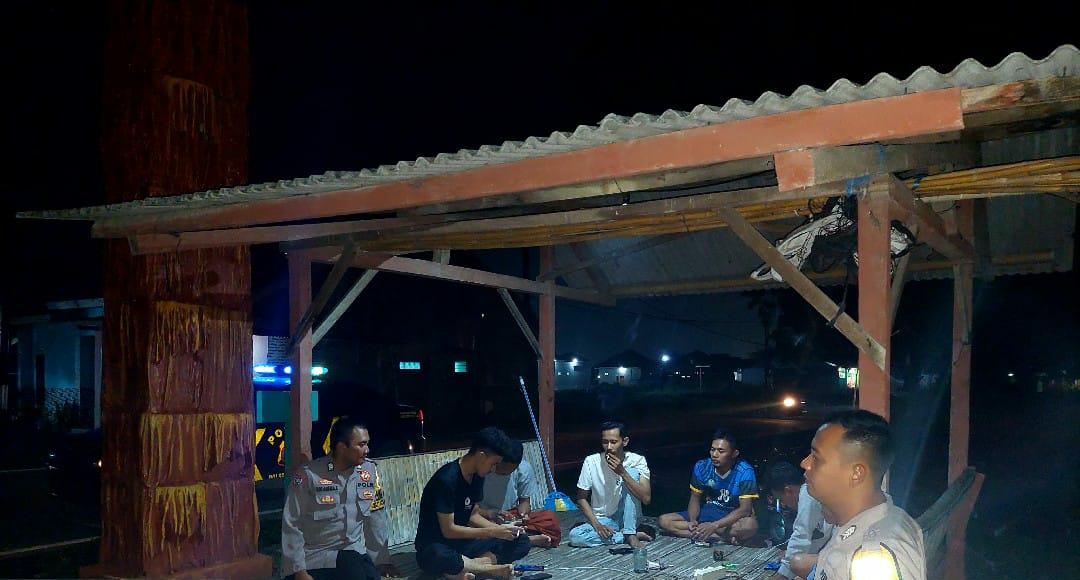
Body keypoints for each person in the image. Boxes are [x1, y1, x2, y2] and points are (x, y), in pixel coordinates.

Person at [800, 410, 925, 580]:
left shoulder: (873, 556)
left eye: (816, 457)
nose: (805, 463)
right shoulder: (874, 521)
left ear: (856, 474)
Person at [414, 427, 531, 579]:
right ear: (481, 456)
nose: (493, 469)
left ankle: (467, 568)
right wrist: (492, 531)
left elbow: (472, 515)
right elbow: (448, 530)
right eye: (493, 463)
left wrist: (503, 530)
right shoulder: (446, 480)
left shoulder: (477, 476)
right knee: (437, 555)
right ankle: (488, 569)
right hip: (438, 544)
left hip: (462, 544)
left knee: (521, 541)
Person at [281, 417, 382, 580]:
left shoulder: (369, 471)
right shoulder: (309, 475)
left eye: (367, 444)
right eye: (361, 445)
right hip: (316, 558)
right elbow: (291, 523)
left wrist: (382, 560)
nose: (367, 450)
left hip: (354, 553)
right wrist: (299, 571)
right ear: (342, 447)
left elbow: (376, 516)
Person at [658, 429, 759, 544]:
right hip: (710, 510)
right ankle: (720, 537)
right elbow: (695, 498)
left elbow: (745, 509)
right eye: (712, 450)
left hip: (732, 515)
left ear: (734, 453)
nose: (714, 455)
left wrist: (714, 525)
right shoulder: (702, 467)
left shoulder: (745, 471)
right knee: (664, 521)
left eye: (721, 451)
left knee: (750, 526)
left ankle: (709, 531)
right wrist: (692, 520)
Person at [569, 421, 653, 548]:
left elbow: (646, 498)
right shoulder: (591, 461)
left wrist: (623, 472)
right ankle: (623, 536)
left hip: (628, 517)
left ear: (624, 441)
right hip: (603, 519)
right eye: (605, 442)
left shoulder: (637, 460)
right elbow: (581, 498)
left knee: (632, 472)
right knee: (575, 536)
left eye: (613, 442)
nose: (609, 447)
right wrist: (597, 525)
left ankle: (630, 532)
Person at [476, 439, 560, 547]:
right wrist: (489, 513)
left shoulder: (523, 469)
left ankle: (516, 537)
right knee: (475, 526)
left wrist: (523, 515)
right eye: (503, 468)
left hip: (509, 515)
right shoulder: (483, 468)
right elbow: (469, 509)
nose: (506, 472)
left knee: (549, 518)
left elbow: (525, 501)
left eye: (511, 470)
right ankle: (528, 540)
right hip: (484, 516)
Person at [766, 461, 833, 579]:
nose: (783, 504)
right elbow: (818, 539)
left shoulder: (807, 494)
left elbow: (801, 536)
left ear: (788, 490)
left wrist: (782, 574)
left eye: (781, 499)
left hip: (844, 556)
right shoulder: (809, 492)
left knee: (797, 562)